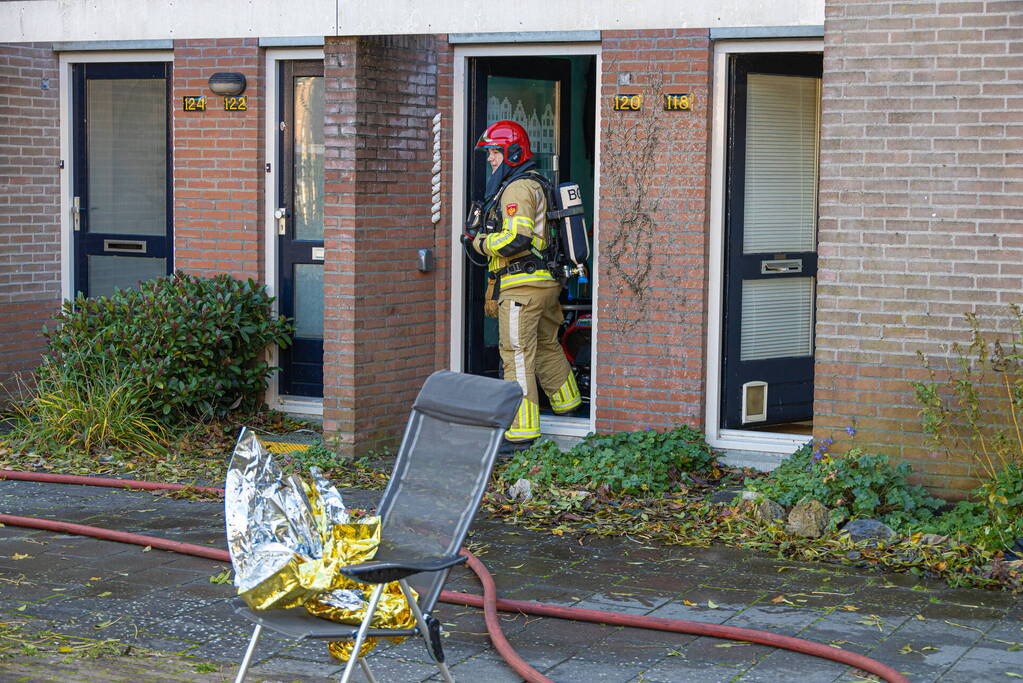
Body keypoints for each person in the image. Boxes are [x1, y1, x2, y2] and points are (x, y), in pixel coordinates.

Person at [468, 120, 581, 452]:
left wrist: (481, 243)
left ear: (513, 153)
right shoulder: (536, 183)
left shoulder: (517, 189)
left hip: (523, 288)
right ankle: (569, 405)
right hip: (543, 285)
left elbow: (517, 238)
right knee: (546, 346)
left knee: (515, 354)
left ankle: (521, 433)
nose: (490, 159)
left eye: (494, 152)